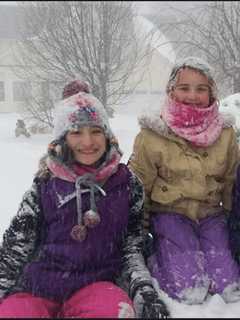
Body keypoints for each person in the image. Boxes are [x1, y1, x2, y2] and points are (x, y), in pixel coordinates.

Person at [0, 80, 169, 318]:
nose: (88, 142)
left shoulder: (127, 184)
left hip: (96, 285)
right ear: (62, 139)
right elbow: (16, 247)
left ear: (108, 135)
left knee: (116, 313)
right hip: (37, 287)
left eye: (96, 131)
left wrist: (143, 290)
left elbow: (132, 247)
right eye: (76, 132)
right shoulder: (45, 184)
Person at [128, 56, 240, 304]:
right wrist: (138, 236)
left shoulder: (225, 134)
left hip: (211, 215)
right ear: (171, 90)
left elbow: (232, 183)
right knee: (188, 290)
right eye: (184, 87)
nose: (192, 95)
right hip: (169, 215)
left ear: (212, 94)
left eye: (201, 89)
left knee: (229, 286)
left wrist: (233, 229)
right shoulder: (152, 135)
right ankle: (160, 256)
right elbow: (138, 189)